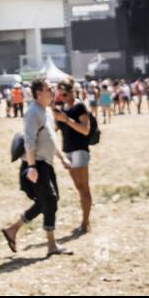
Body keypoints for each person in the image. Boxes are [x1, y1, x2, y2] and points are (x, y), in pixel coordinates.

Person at [1, 79, 73, 256]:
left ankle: (13, 230)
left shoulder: (46, 111)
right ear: (38, 93)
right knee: (50, 200)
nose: (53, 91)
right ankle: (51, 245)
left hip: (45, 164)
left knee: (47, 201)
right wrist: (32, 167)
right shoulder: (33, 112)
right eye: (49, 89)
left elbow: (50, 139)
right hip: (36, 165)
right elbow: (29, 141)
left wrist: (62, 158)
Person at [53, 79, 93, 233]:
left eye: (64, 93)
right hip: (68, 151)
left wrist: (67, 120)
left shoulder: (79, 106)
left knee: (84, 188)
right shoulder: (62, 108)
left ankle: (86, 222)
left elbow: (85, 130)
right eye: (59, 94)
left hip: (80, 150)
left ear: (71, 91)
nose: (61, 97)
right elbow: (56, 129)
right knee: (78, 187)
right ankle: (84, 220)